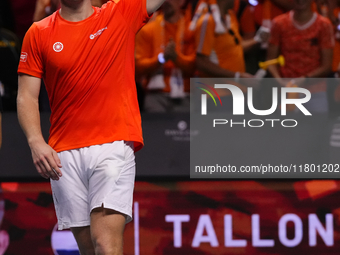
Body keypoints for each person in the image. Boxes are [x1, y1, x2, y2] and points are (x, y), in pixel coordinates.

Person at [17, 0, 165, 254]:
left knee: (106, 244)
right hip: (63, 154)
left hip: (113, 145)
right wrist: (35, 141)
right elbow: (26, 96)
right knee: (89, 249)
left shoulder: (120, 13)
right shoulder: (38, 33)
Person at [267, 0, 334, 113]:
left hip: (315, 91)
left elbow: (327, 65)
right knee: (287, 128)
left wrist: (304, 79)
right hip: (286, 90)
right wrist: (280, 81)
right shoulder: (279, 23)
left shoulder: (324, 25)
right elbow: (270, 61)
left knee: (317, 129)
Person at [135, 0, 196, 112]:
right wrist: (161, 59)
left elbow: (195, 66)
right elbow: (137, 67)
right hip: (155, 95)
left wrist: (176, 58)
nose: (167, 1)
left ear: (181, 2)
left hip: (186, 94)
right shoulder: (147, 30)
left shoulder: (191, 30)